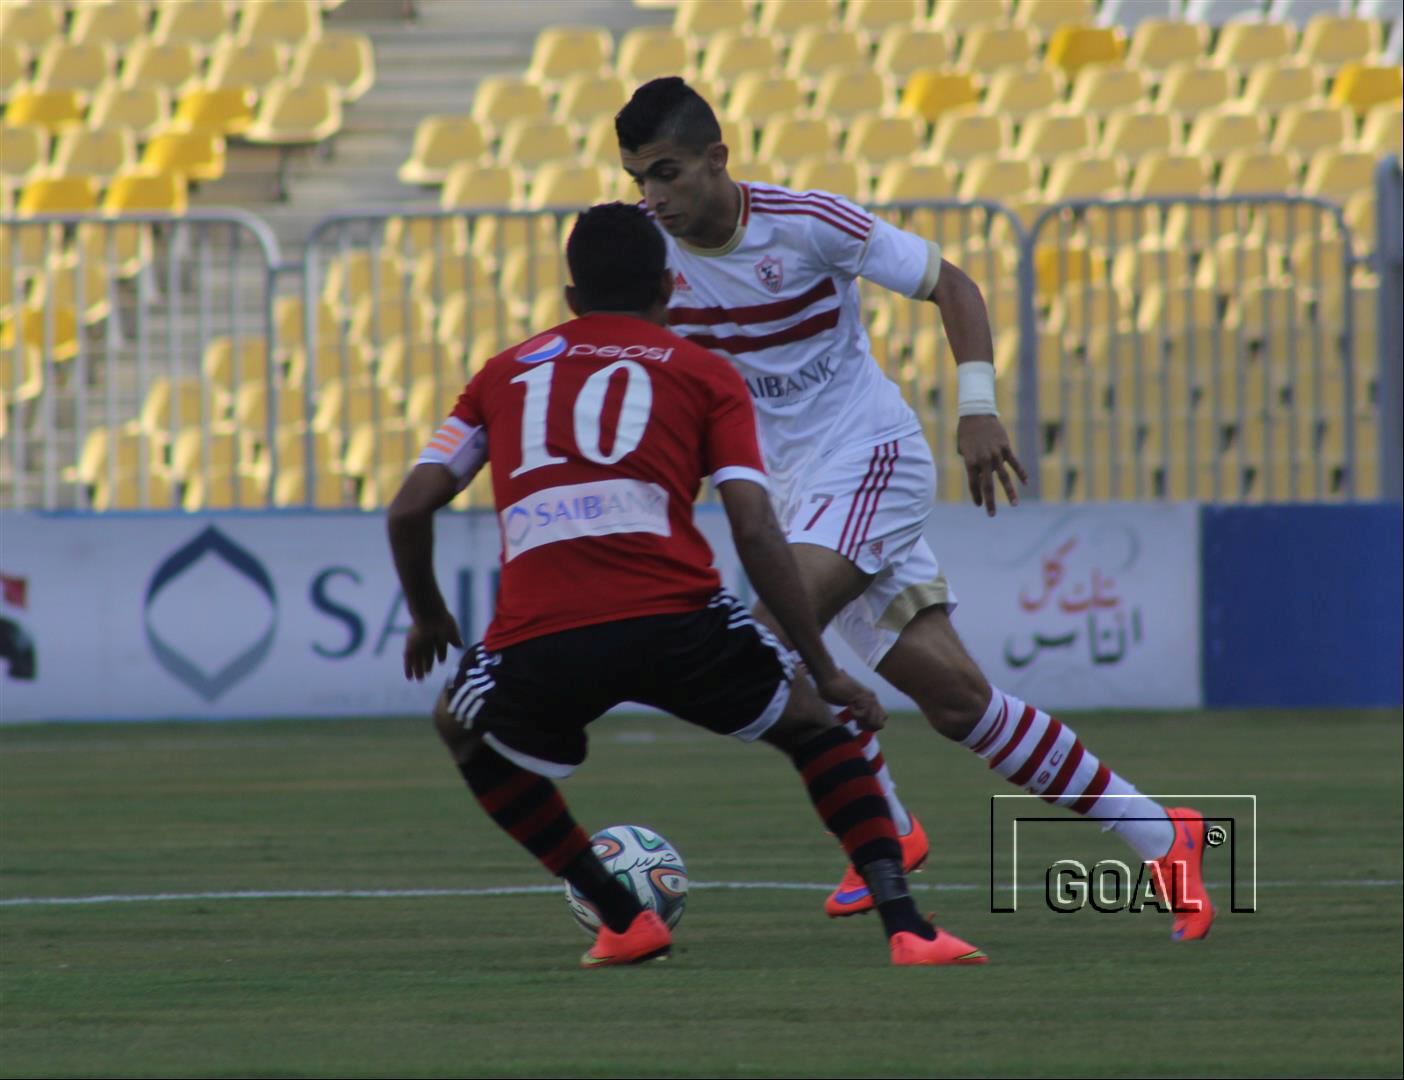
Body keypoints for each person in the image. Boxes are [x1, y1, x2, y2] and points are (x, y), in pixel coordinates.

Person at [613, 77, 1213, 942]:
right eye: (638, 179)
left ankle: (886, 827)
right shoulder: (651, 262)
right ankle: (1162, 833)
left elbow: (953, 285)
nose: (653, 196)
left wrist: (978, 409)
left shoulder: (808, 223)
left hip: (870, 460)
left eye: (665, 173)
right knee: (960, 704)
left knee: (762, 642)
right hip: (795, 500)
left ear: (716, 158)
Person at [386, 202, 987, 968]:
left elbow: (409, 508)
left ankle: (621, 918)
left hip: (543, 633)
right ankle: (907, 928)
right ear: (669, 289)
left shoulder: (502, 375)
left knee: (459, 723)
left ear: (570, 297)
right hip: (678, 622)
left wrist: (428, 614)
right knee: (816, 728)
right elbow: (754, 526)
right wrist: (823, 667)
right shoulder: (702, 373)